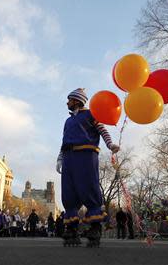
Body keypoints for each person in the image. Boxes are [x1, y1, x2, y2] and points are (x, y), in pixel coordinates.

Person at [56, 88, 119, 247]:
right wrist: (60, 158)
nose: (67, 102)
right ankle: (71, 229)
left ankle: (95, 227)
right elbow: (64, 141)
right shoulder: (68, 121)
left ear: (77, 100)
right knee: (69, 191)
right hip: (69, 157)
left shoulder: (92, 114)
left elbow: (102, 130)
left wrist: (110, 144)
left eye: (69, 99)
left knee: (89, 188)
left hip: (86, 155)